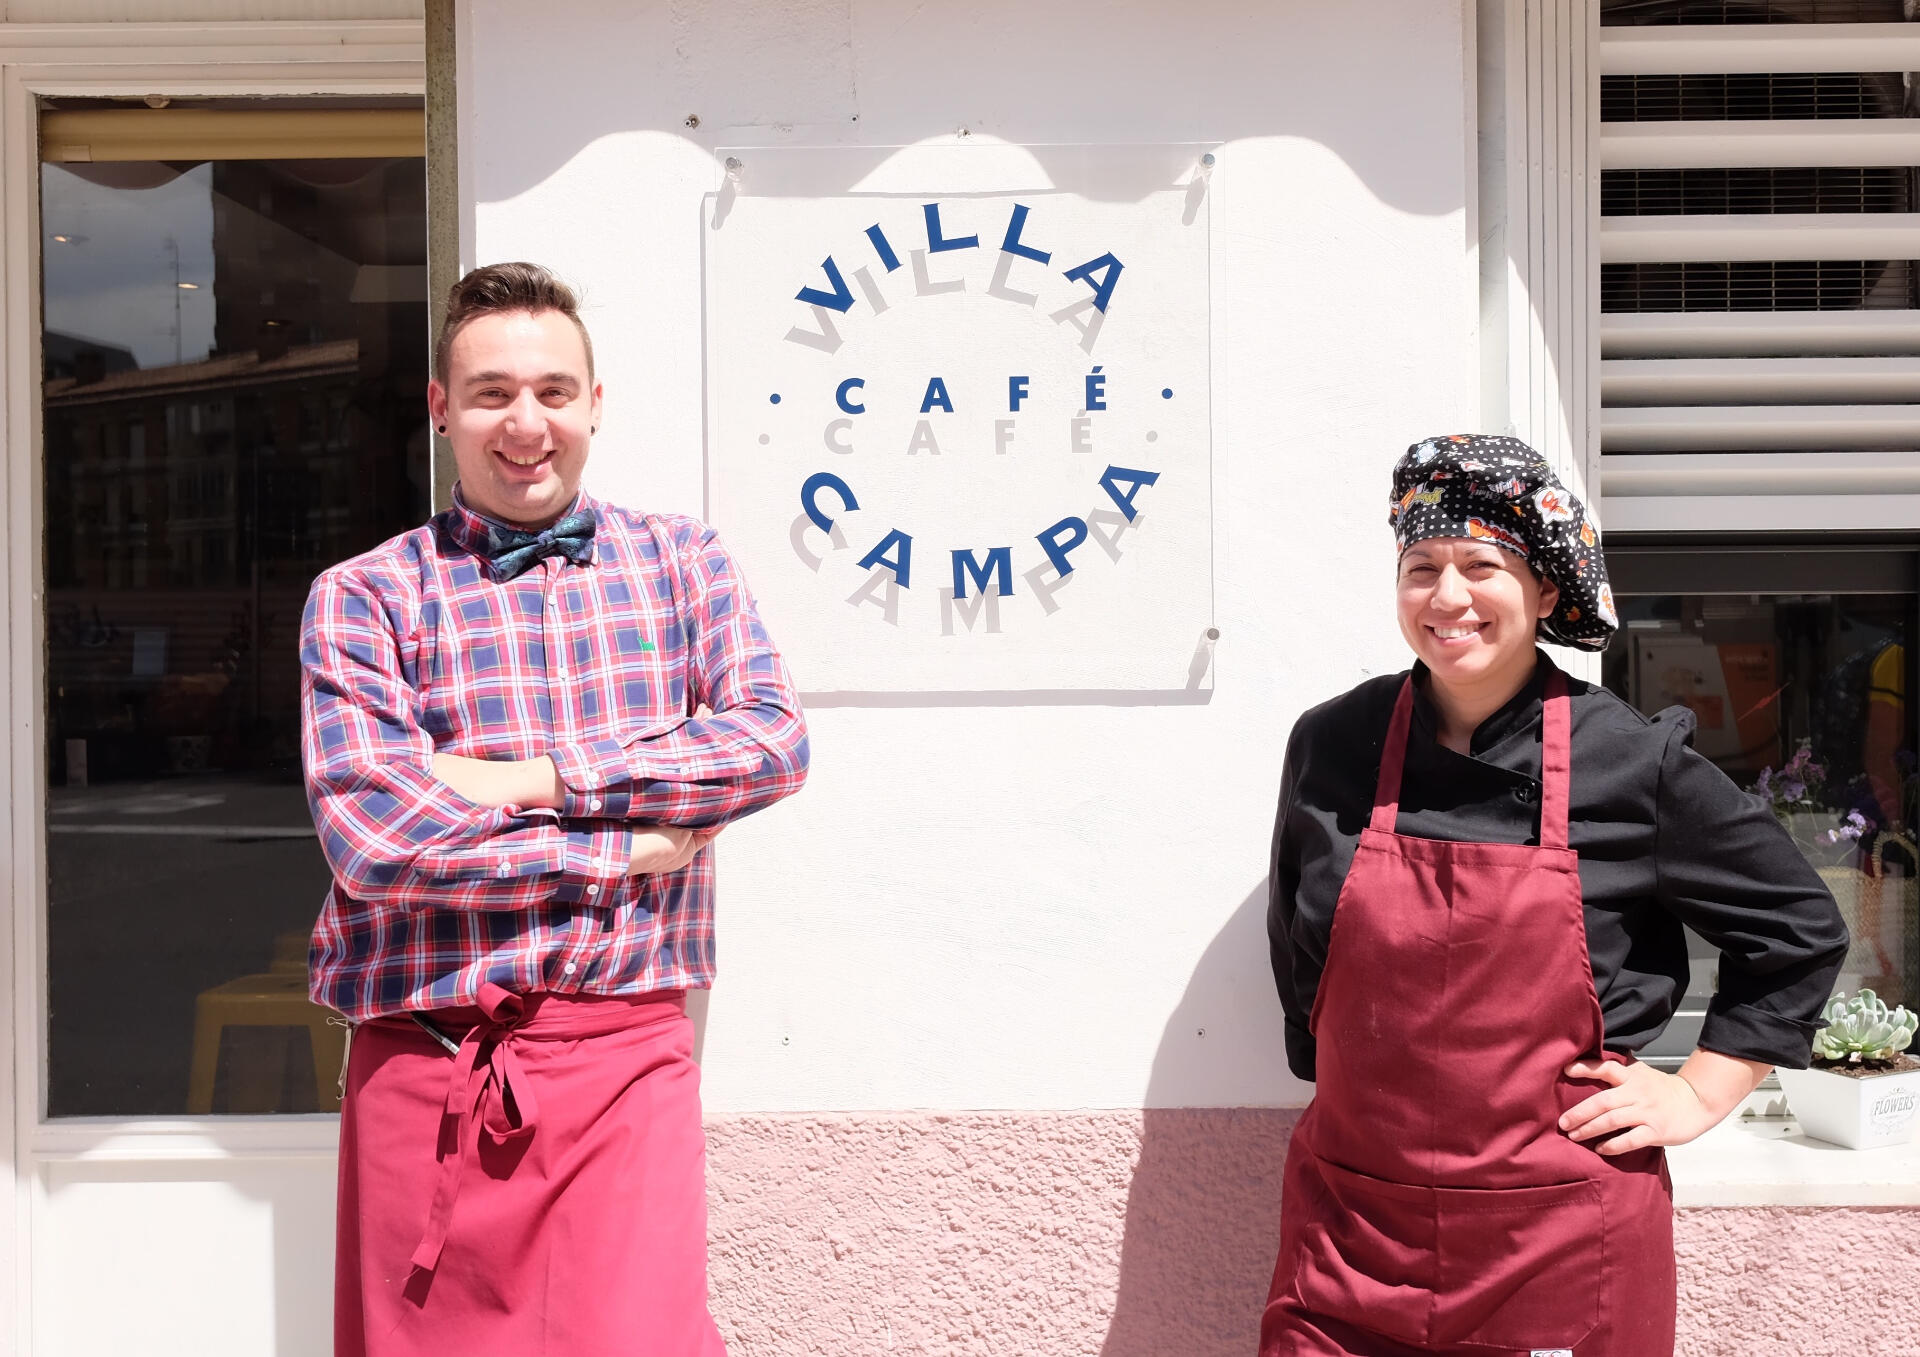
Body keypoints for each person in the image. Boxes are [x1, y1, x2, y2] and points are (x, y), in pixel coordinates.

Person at [300, 261, 808, 1356]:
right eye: (491, 393)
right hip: (430, 1062)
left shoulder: (684, 564)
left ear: (594, 403)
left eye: (552, 391)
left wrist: (534, 779)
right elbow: (378, 838)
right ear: (441, 407)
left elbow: (769, 743)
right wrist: (621, 852)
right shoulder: (364, 596)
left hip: (626, 1064)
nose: (525, 423)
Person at [1260, 434, 1848, 1356]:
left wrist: (1698, 1093)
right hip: (1352, 1240)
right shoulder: (1332, 744)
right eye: (1421, 567)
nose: (1447, 597)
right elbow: (1302, 959)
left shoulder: (1630, 761)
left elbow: (1799, 927)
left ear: (1543, 590)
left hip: (1559, 1249)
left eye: (1481, 566)